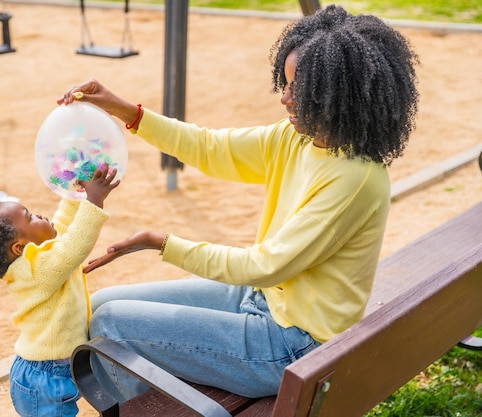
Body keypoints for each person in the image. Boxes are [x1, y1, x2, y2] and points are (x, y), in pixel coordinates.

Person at [60, 4, 419, 402]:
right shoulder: (297, 138)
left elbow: (264, 266)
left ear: (337, 96)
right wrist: (123, 109)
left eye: (297, 90)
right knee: (102, 304)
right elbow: (210, 148)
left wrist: (162, 243)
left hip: (293, 345)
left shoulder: (355, 178)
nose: (284, 99)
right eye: (284, 84)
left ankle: (148, 412)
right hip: (263, 302)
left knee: (111, 323)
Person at [0, 165, 120, 416]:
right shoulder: (36, 270)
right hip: (45, 376)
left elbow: (64, 228)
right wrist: (94, 201)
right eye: (30, 216)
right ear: (19, 248)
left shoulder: (38, 258)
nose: (40, 216)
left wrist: (75, 195)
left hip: (54, 368)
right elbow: (74, 246)